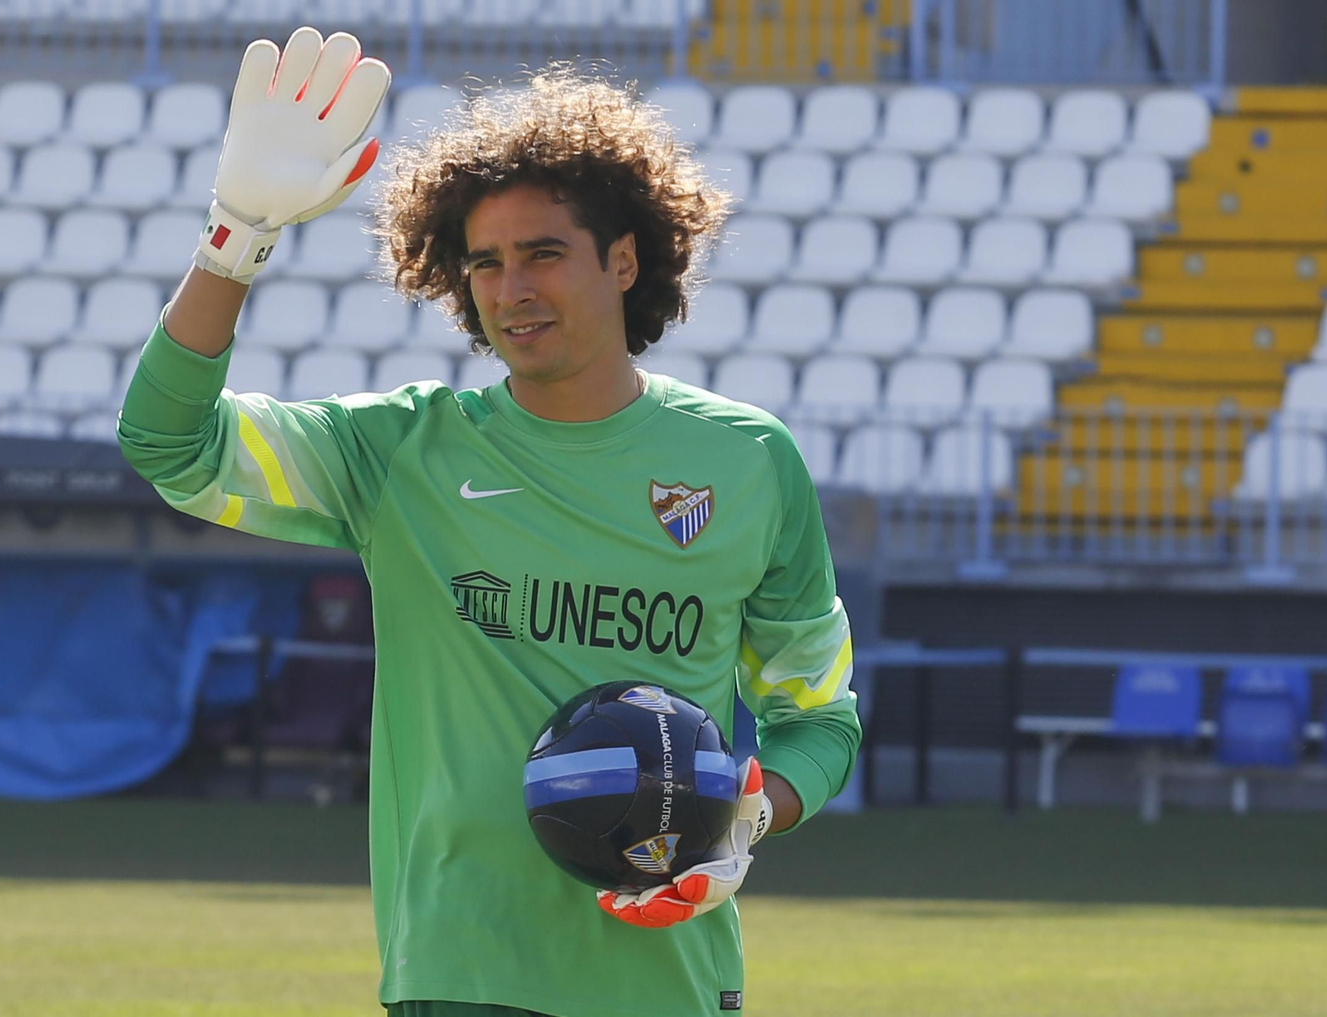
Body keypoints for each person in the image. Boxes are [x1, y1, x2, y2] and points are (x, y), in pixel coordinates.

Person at [118, 27, 861, 1017]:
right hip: (458, 974)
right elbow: (171, 446)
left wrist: (747, 816)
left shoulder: (749, 461)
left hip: (669, 977)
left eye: (544, 254)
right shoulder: (398, 452)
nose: (511, 288)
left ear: (626, 258)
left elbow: (817, 716)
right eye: (484, 263)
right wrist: (237, 234)